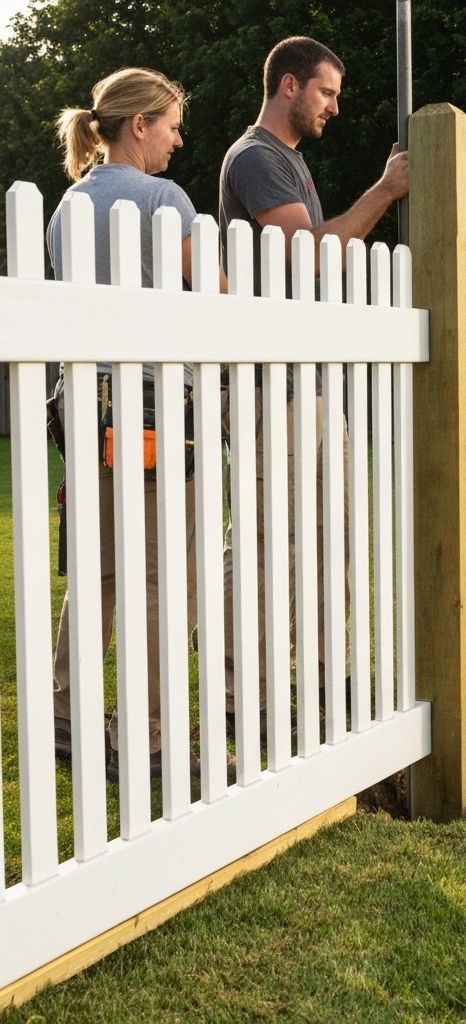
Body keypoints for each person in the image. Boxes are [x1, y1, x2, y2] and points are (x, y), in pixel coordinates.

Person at [218, 36, 408, 724]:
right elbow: (309, 257)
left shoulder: (290, 161)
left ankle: (327, 675)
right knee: (269, 541)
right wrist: (385, 191)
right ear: (290, 85)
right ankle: (243, 693)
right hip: (271, 384)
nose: (334, 106)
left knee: (337, 528)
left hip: (311, 382)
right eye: (327, 92)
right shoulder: (256, 158)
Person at [48, 67, 222, 782]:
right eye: (173, 126)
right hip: (151, 409)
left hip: (81, 407)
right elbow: (211, 297)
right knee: (163, 578)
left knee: (101, 571)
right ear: (139, 125)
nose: (179, 141)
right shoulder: (162, 197)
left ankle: (66, 717)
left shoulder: (67, 205)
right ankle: (150, 738)